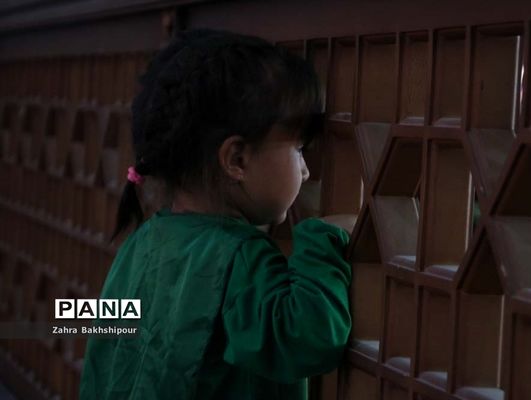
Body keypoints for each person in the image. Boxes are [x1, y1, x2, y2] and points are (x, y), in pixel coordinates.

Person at [79, 28, 352, 400]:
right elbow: (306, 338)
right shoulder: (239, 256)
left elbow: (102, 353)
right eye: (299, 149)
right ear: (237, 159)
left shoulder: (141, 241)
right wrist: (323, 242)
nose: (305, 172)